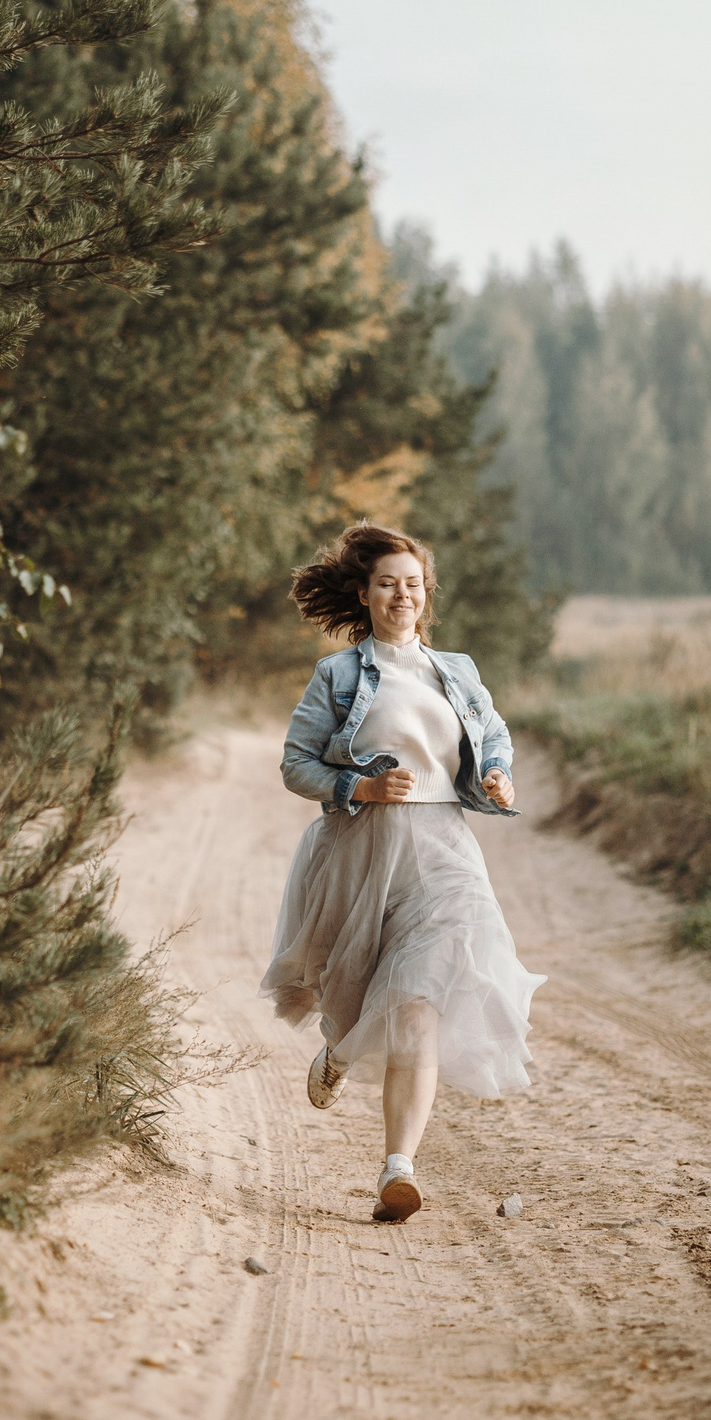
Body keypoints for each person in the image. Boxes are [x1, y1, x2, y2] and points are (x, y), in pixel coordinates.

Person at [260, 520, 544, 1223]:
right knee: (355, 998)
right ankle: (338, 1047)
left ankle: (397, 1168)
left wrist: (500, 772)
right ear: (366, 594)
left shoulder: (459, 670)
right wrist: (357, 787)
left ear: (426, 595)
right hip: (362, 849)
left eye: (413, 584)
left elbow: (494, 734)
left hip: (444, 849)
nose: (402, 595)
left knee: (418, 1003)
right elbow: (297, 764)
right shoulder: (339, 674)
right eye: (387, 583)